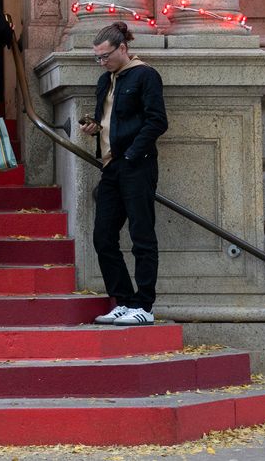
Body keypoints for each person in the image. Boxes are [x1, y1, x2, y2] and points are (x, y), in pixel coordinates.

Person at [79, 21, 168, 327]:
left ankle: (144, 305)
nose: (101, 62)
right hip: (111, 166)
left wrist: (131, 153)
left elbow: (157, 121)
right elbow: (107, 120)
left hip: (137, 164)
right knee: (103, 236)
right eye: (97, 57)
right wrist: (94, 127)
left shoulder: (146, 75)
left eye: (105, 56)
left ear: (123, 48)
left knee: (142, 236)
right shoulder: (105, 80)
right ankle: (124, 301)